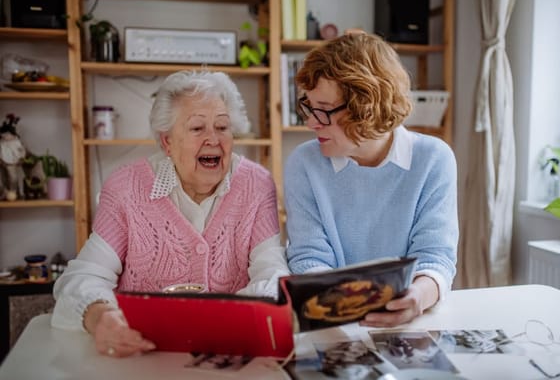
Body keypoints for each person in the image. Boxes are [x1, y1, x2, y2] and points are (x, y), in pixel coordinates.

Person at [52, 70, 289, 357]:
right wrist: (98, 315)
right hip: (144, 358)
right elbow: (85, 276)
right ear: (167, 142)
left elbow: (273, 272)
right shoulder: (126, 188)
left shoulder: (256, 184)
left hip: (228, 358)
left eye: (223, 127)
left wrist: (225, 319)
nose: (213, 139)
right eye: (197, 128)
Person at [284, 32, 458, 328]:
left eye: (324, 111)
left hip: (411, 321)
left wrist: (417, 297)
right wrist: (339, 308)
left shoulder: (434, 158)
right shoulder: (304, 163)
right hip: (330, 321)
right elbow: (308, 256)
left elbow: (435, 256)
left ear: (367, 107)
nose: (311, 122)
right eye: (308, 106)